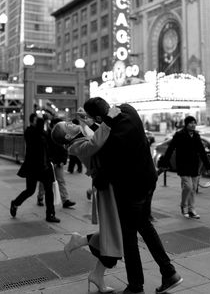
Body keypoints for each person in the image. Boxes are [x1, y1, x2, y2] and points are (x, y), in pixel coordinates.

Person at [83, 97, 183, 294]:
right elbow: (112, 126)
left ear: (97, 117)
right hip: (148, 181)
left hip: (130, 190)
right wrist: (95, 123)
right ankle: (169, 272)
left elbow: (106, 155)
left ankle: (136, 286)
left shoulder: (111, 140)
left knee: (128, 238)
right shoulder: (129, 110)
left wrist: (96, 178)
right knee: (145, 226)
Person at [51, 106, 123, 293]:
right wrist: (107, 120)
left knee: (115, 233)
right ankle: (90, 261)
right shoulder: (75, 146)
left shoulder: (78, 138)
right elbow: (95, 144)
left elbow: (94, 135)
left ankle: (83, 245)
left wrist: (86, 119)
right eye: (67, 125)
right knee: (114, 234)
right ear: (67, 137)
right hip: (105, 189)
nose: (71, 123)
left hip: (110, 185)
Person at [10, 115, 60, 223]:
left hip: (45, 167)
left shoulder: (43, 133)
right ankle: (15, 203)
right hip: (33, 167)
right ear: (33, 122)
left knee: (49, 191)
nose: (40, 123)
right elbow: (35, 137)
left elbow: (49, 143)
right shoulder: (29, 132)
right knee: (30, 190)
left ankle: (50, 214)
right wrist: (41, 123)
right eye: (38, 121)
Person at [161, 115, 210, 220]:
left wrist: (207, 166)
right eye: (191, 123)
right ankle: (183, 205)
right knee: (188, 187)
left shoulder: (196, 135)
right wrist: (165, 163)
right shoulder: (179, 135)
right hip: (183, 165)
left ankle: (191, 210)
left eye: (194, 123)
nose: (193, 125)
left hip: (194, 165)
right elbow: (170, 149)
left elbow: (202, 151)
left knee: (193, 188)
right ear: (186, 124)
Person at [37, 117, 76, 209]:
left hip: (58, 162)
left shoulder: (62, 134)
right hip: (49, 162)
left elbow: (65, 148)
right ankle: (40, 197)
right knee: (44, 181)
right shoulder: (47, 135)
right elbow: (46, 150)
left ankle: (65, 200)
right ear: (54, 125)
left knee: (61, 180)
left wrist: (63, 160)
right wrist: (50, 160)